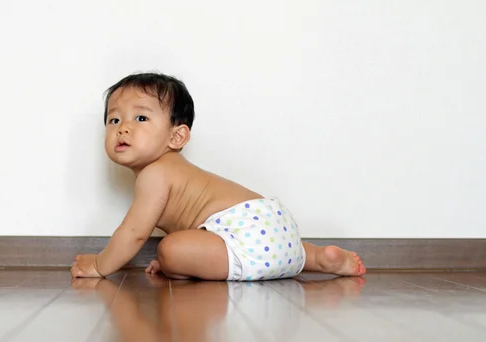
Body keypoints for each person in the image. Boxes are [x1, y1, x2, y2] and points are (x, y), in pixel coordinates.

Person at [71, 72, 366, 281]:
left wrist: (99, 264)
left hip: (248, 235)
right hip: (273, 225)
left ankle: (300, 258)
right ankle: (318, 258)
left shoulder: (155, 173)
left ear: (177, 136)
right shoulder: (174, 171)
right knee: (180, 249)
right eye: (114, 119)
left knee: (169, 250)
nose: (123, 127)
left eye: (141, 118)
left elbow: (134, 232)